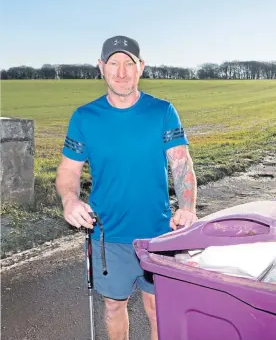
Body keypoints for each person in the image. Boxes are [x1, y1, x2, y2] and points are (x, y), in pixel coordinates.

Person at [55, 35, 198, 340]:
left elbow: (181, 165)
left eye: (128, 64)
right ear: (101, 67)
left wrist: (187, 208)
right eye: (113, 63)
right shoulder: (84, 117)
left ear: (140, 67)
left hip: (158, 234)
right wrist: (69, 199)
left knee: (158, 308)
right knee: (113, 308)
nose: (121, 72)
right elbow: (68, 170)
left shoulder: (162, 111)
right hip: (109, 236)